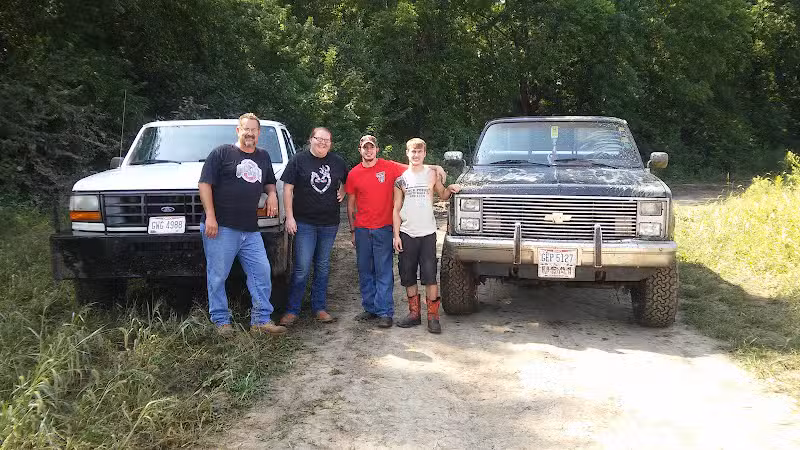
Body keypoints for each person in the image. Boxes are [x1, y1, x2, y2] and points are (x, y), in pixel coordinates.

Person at [346, 135, 449, 329]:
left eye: (372, 147)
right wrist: (352, 230)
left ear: (377, 149)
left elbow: (415, 164)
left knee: (384, 270)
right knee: (365, 270)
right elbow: (350, 205)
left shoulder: (390, 167)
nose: (368, 151)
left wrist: (437, 167)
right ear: (360, 150)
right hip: (362, 229)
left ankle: (385, 312)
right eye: (365, 148)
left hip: (384, 227)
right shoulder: (353, 174)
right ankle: (370, 308)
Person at [198, 113, 287, 336]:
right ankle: (221, 321)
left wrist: (272, 195)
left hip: (250, 229)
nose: (249, 133)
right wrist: (210, 216)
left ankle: (261, 320)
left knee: (262, 272)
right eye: (245, 129)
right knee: (218, 276)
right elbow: (204, 184)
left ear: (259, 133)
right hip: (221, 227)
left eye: (253, 130)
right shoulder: (221, 153)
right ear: (238, 131)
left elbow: (268, 182)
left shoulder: (263, 157)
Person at [279, 127, 348, 326]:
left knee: (323, 267)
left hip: (329, 223)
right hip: (304, 223)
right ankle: (292, 310)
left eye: (327, 140)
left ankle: (319, 307)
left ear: (331, 143)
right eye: (319, 139)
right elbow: (287, 188)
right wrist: (289, 217)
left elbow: (348, 179)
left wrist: (343, 191)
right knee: (301, 268)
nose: (323, 143)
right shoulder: (298, 160)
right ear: (311, 140)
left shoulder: (337, 162)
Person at [393, 138, 461, 333]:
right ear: (407, 153)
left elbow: (443, 194)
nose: (415, 155)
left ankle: (433, 317)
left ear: (425, 153)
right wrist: (396, 235)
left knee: (430, 277)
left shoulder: (431, 175)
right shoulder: (400, 180)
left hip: (428, 233)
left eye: (419, 152)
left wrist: (451, 189)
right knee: (408, 275)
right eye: (412, 152)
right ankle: (414, 314)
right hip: (407, 233)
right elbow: (396, 209)